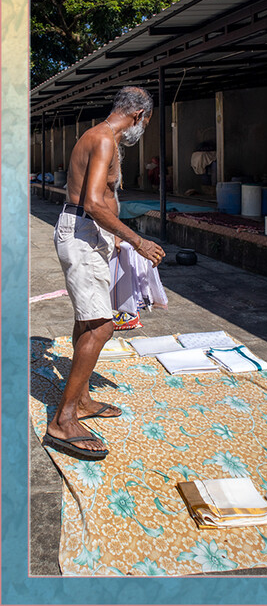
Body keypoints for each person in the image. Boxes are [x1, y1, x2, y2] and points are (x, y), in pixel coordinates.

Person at [46, 86, 166, 460]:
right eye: (144, 121)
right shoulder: (103, 140)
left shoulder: (102, 137)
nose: (141, 128)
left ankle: (80, 401)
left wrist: (113, 238)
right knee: (102, 325)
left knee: (88, 320)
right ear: (137, 116)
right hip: (81, 231)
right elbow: (95, 202)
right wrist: (137, 240)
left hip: (89, 232)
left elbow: (97, 200)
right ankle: (63, 421)